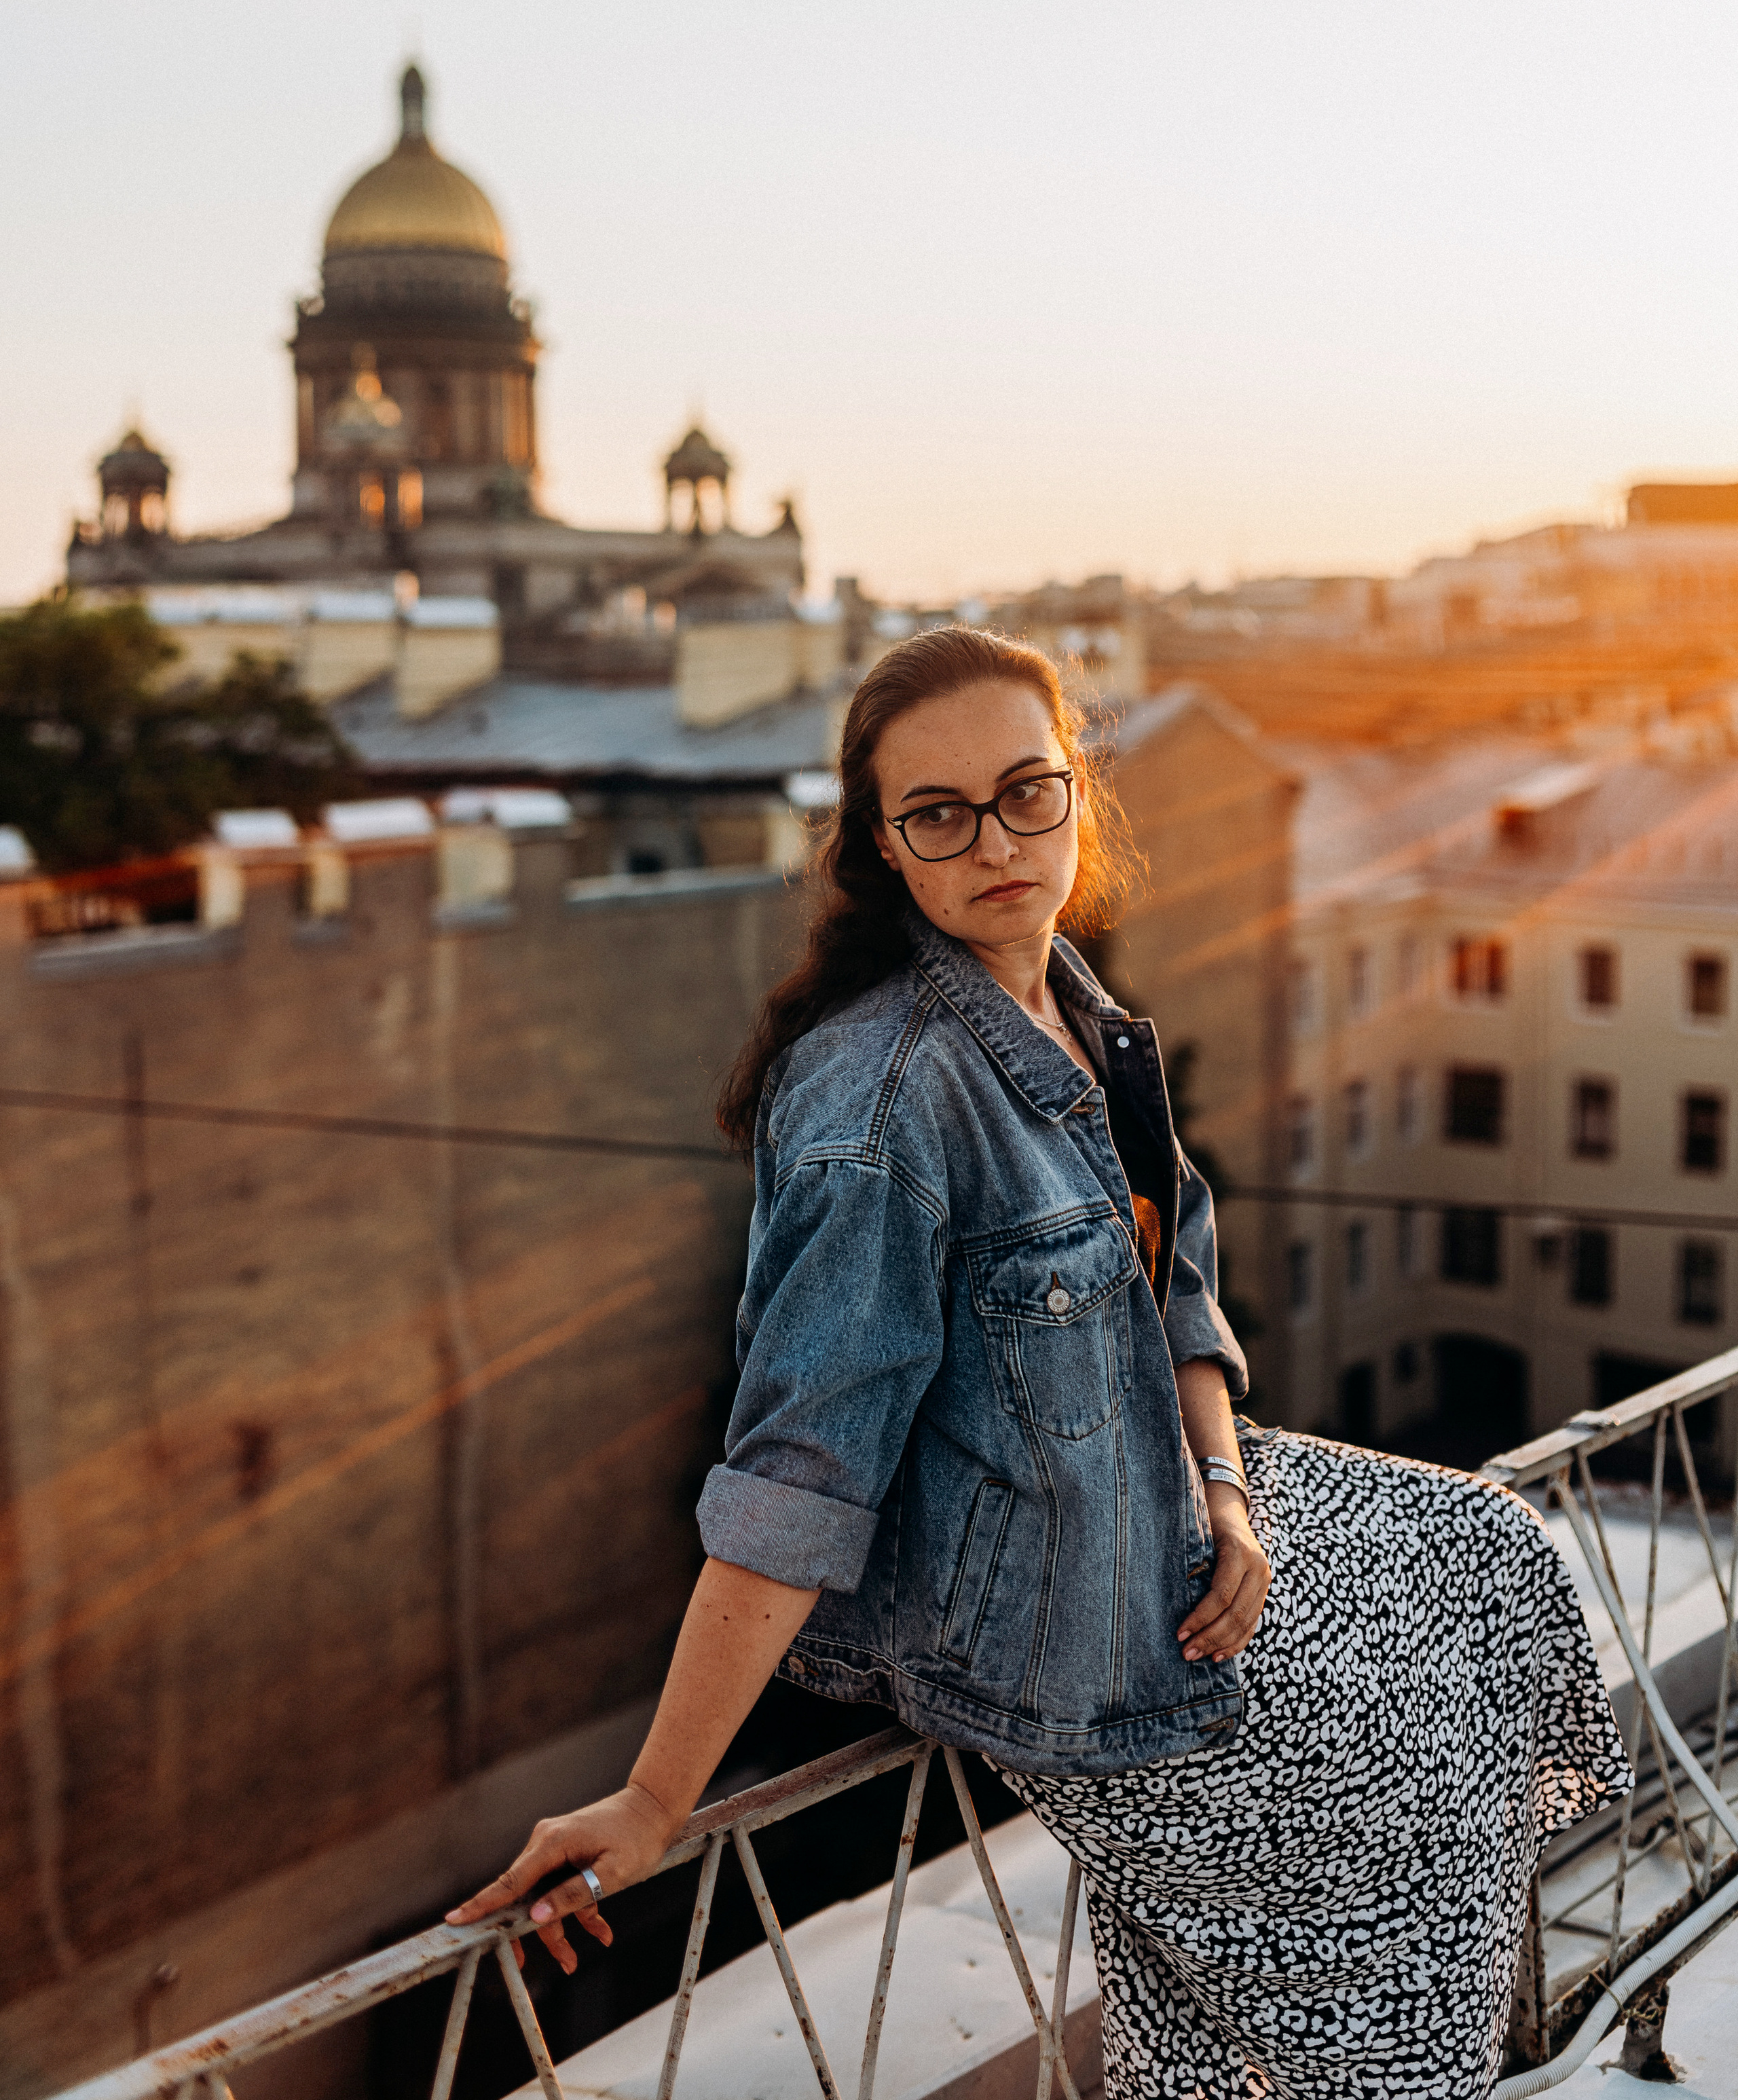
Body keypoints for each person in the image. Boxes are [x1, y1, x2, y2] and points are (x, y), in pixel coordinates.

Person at [451, 627, 1629, 2098]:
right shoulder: (875, 1103)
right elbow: (794, 1476)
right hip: (1041, 1612)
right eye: (935, 815)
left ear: (1076, 792)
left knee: (1487, 1553)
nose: (995, 841)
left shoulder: (1074, 1008)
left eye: (1027, 791)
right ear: (883, 850)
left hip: (1152, 1489)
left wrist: (1225, 1493)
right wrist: (651, 1796)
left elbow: (1176, 1293)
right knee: (1386, 1859)